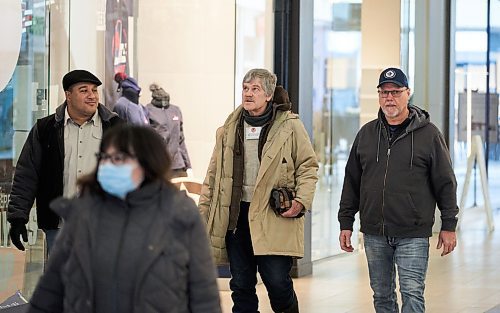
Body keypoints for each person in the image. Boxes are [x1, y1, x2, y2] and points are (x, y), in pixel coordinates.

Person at [26, 124, 222, 313]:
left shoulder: (180, 213)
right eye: (104, 157)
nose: (108, 165)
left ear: (147, 163)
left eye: (119, 158)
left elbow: (203, 292)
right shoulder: (84, 213)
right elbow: (51, 289)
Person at [338, 67, 459, 313]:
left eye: (395, 92)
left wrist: (449, 225)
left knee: (412, 294)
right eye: (384, 93)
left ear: (408, 93)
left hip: (412, 231)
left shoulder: (429, 135)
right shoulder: (367, 134)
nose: (389, 98)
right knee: (382, 296)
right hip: (374, 232)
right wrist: (345, 222)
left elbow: (445, 182)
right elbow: (351, 181)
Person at [199, 68, 318, 313]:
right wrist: (203, 214)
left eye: (255, 89)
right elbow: (213, 176)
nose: (248, 93)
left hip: (272, 216)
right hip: (236, 217)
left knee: (277, 282)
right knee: (241, 284)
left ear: (269, 95)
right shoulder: (229, 128)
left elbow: (308, 166)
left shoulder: (290, 127)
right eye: (245, 88)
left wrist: (301, 201)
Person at [7, 69, 122, 253]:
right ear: (68, 95)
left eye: (94, 90)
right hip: (59, 226)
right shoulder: (45, 130)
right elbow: (27, 174)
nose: (92, 96)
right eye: (84, 90)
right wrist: (18, 217)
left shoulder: (116, 128)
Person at [146, 83, 192, 178]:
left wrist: (188, 166)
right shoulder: (148, 110)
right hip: (158, 164)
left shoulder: (175, 110)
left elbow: (181, 140)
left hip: (177, 165)